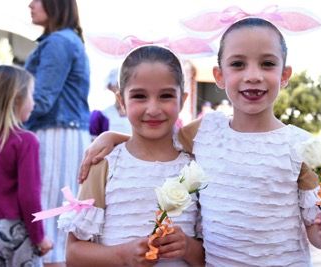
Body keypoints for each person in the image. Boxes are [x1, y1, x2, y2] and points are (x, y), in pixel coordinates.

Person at [79, 18, 321, 266]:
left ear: (285, 74)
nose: (253, 75)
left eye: (267, 64)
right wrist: (114, 138)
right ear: (219, 76)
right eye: (238, 64)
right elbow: (155, 140)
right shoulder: (206, 131)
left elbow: (314, 224)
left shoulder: (302, 147)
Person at [59, 45, 204, 266]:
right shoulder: (104, 164)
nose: (153, 108)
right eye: (139, 96)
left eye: (166, 96)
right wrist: (123, 255)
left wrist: (187, 246)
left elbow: (213, 254)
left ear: (182, 100)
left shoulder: (196, 166)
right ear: (121, 101)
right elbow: (74, 253)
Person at [25, 0, 91, 265]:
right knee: (57, 221)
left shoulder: (59, 42)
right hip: (62, 133)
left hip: (56, 134)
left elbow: (40, 99)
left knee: (51, 222)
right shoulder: (64, 40)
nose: (30, 4)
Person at [0, 65, 53, 266]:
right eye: (31, 96)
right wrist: (39, 237)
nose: (33, 103)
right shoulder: (25, 141)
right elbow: (29, 196)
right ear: (16, 100)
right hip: (14, 231)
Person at [89, 68, 132, 139]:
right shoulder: (101, 116)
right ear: (110, 87)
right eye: (119, 84)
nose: (123, 88)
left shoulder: (141, 113)